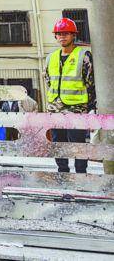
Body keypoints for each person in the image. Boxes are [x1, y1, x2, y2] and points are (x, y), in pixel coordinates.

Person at [45, 18, 95, 174]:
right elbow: (49, 81)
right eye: (59, 34)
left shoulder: (84, 55)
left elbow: (91, 83)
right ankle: (63, 173)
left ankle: (81, 174)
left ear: (73, 35)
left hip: (77, 108)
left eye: (66, 33)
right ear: (55, 36)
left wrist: (92, 106)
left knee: (78, 144)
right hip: (55, 108)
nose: (62, 37)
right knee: (58, 144)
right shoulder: (50, 57)